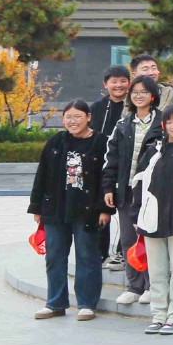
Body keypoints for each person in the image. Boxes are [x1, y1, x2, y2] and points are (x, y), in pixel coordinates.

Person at [29, 100, 109, 320]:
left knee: (87, 256)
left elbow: (107, 178)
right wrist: (36, 207)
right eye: (68, 117)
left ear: (88, 117)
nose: (73, 121)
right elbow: (42, 175)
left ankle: (87, 304)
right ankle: (55, 303)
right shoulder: (56, 141)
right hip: (55, 209)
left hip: (87, 210)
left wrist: (104, 209)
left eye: (78, 117)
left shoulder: (101, 142)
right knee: (54, 257)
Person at [126, 103, 173, 335]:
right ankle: (159, 315)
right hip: (152, 219)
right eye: (169, 121)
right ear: (163, 124)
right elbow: (138, 181)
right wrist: (137, 212)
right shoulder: (153, 151)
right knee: (156, 270)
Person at [101, 76, 163, 305]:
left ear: (152, 95)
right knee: (129, 240)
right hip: (127, 192)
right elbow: (112, 159)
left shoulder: (163, 123)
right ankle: (134, 286)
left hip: (153, 192)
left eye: (144, 92)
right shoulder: (123, 124)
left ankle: (151, 285)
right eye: (135, 92)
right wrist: (108, 187)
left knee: (150, 240)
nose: (139, 96)